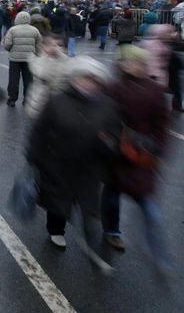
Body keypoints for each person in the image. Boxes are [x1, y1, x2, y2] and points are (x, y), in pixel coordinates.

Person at [27, 57, 118, 272]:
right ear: (75, 78)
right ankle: (56, 230)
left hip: (89, 167)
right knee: (58, 202)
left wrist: (109, 143)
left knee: (89, 207)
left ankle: (92, 242)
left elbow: (115, 134)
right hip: (58, 163)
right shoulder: (57, 101)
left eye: (93, 80)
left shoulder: (107, 105)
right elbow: (39, 131)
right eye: (85, 78)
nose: (89, 83)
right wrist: (34, 157)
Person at [101, 46, 171, 272]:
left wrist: (156, 147)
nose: (135, 66)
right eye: (130, 62)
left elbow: (161, 124)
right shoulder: (113, 88)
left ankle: (159, 253)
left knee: (148, 204)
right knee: (112, 196)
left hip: (142, 154)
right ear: (121, 64)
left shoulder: (155, 90)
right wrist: (110, 141)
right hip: (117, 153)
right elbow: (104, 118)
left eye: (139, 62)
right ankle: (112, 231)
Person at [25, 35, 72, 120]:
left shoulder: (63, 60)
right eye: (52, 45)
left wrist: (59, 54)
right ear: (43, 47)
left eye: (58, 45)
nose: (55, 48)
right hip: (40, 102)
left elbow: (68, 72)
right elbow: (42, 73)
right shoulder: (38, 60)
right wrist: (46, 56)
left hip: (58, 103)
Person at [3, 11, 41, 107]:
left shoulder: (12, 30)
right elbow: (39, 44)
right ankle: (27, 99)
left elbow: (7, 44)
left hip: (14, 59)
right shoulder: (34, 30)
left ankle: (12, 99)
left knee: (13, 79)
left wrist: (10, 50)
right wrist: (36, 53)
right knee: (28, 80)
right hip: (29, 58)